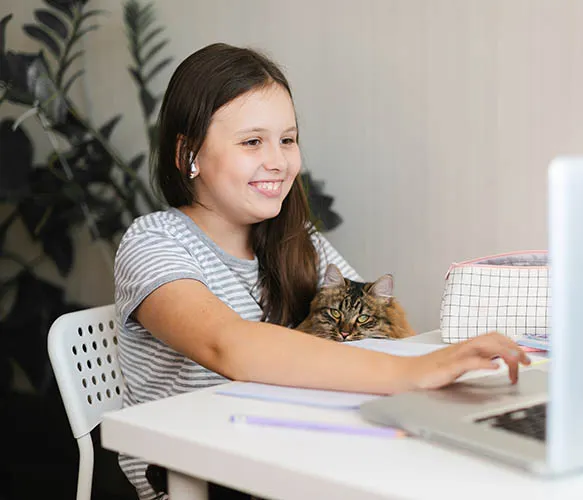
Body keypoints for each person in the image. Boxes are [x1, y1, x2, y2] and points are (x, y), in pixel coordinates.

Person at [113, 43, 531, 500]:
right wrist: (411, 372)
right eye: (253, 141)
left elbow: (371, 326)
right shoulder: (153, 242)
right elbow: (228, 345)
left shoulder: (297, 239)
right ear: (187, 153)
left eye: (287, 139)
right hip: (201, 477)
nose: (279, 160)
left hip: (291, 451)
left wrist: (443, 362)